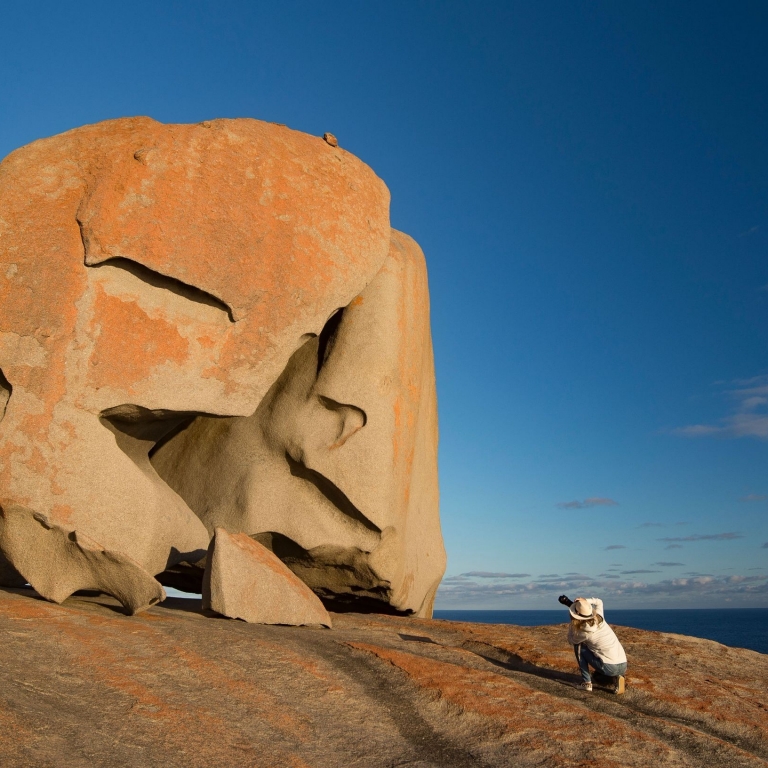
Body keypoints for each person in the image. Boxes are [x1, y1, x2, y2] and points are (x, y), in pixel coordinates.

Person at [565, 596, 627, 694]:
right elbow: (599, 602)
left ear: (577, 614)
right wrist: (585, 601)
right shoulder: (599, 617)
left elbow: (571, 640)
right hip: (623, 663)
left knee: (579, 646)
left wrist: (573, 624)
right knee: (603, 652)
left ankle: (587, 683)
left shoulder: (584, 632)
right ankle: (618, 677)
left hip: (609, 667)